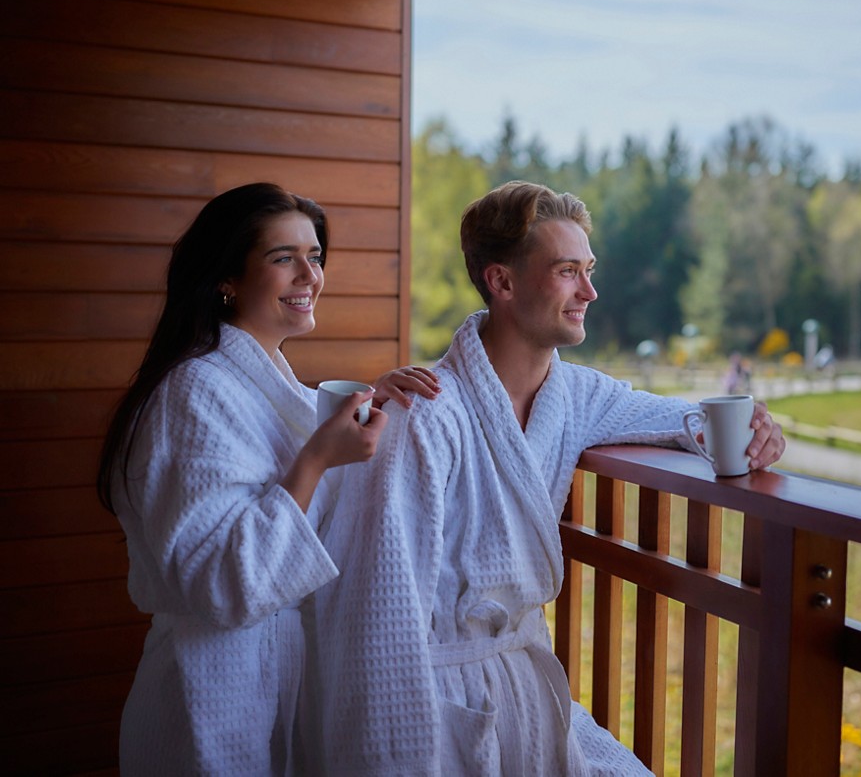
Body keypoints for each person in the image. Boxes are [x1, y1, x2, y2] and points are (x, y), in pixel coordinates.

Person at [309, 181, 785, 774]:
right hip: (435, 703)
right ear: (501, 282)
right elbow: (380, 609)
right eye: (567, 272)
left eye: (588, 269)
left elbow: (676, 417)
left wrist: (751, 429)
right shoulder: (427, 412)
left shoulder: (573, 394)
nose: (590, 291)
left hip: (524, 685)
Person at [95, 183, 440, 775]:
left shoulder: (257, 384)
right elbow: (222, 580)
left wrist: (368, 403)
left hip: (272, 672)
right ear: (226, 278)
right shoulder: (194, 392)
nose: (310, 275)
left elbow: (288, 458)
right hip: (213, 690)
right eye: (284, 258)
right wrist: (315, 461)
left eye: (316, 256)